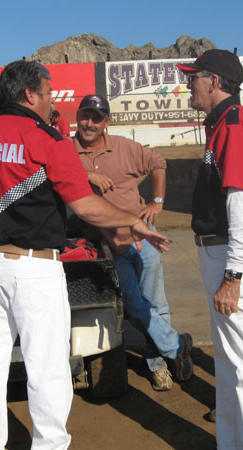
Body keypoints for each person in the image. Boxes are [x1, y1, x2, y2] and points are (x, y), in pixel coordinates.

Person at [0, 60, 171, 450]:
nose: (52, 101)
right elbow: (86, 208)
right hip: (34, 269)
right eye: (48, 93)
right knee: (46, 367)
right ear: (30, 95)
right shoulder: (48, 141)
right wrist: (134, 220)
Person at [177, 50, 243, 449]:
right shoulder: (224, 123)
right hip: (223, 253)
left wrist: (233, 276)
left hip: (234, 255)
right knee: (230, 363)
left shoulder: (235, 125)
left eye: (193, 78)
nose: (188, 85)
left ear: (214, 82)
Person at [72, 94, 193, 391]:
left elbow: (158, 162)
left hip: (142, 236)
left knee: (156, 304)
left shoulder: (124, 147)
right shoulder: (67, 151)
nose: (89, 123)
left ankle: (158, 364)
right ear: (77, 117)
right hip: (109, 247)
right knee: (135, 307)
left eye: (96, 118)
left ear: (106, 122)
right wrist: (85, 175)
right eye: (85, 116)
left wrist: (157, 201)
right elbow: (50, 173)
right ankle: (177, 345)